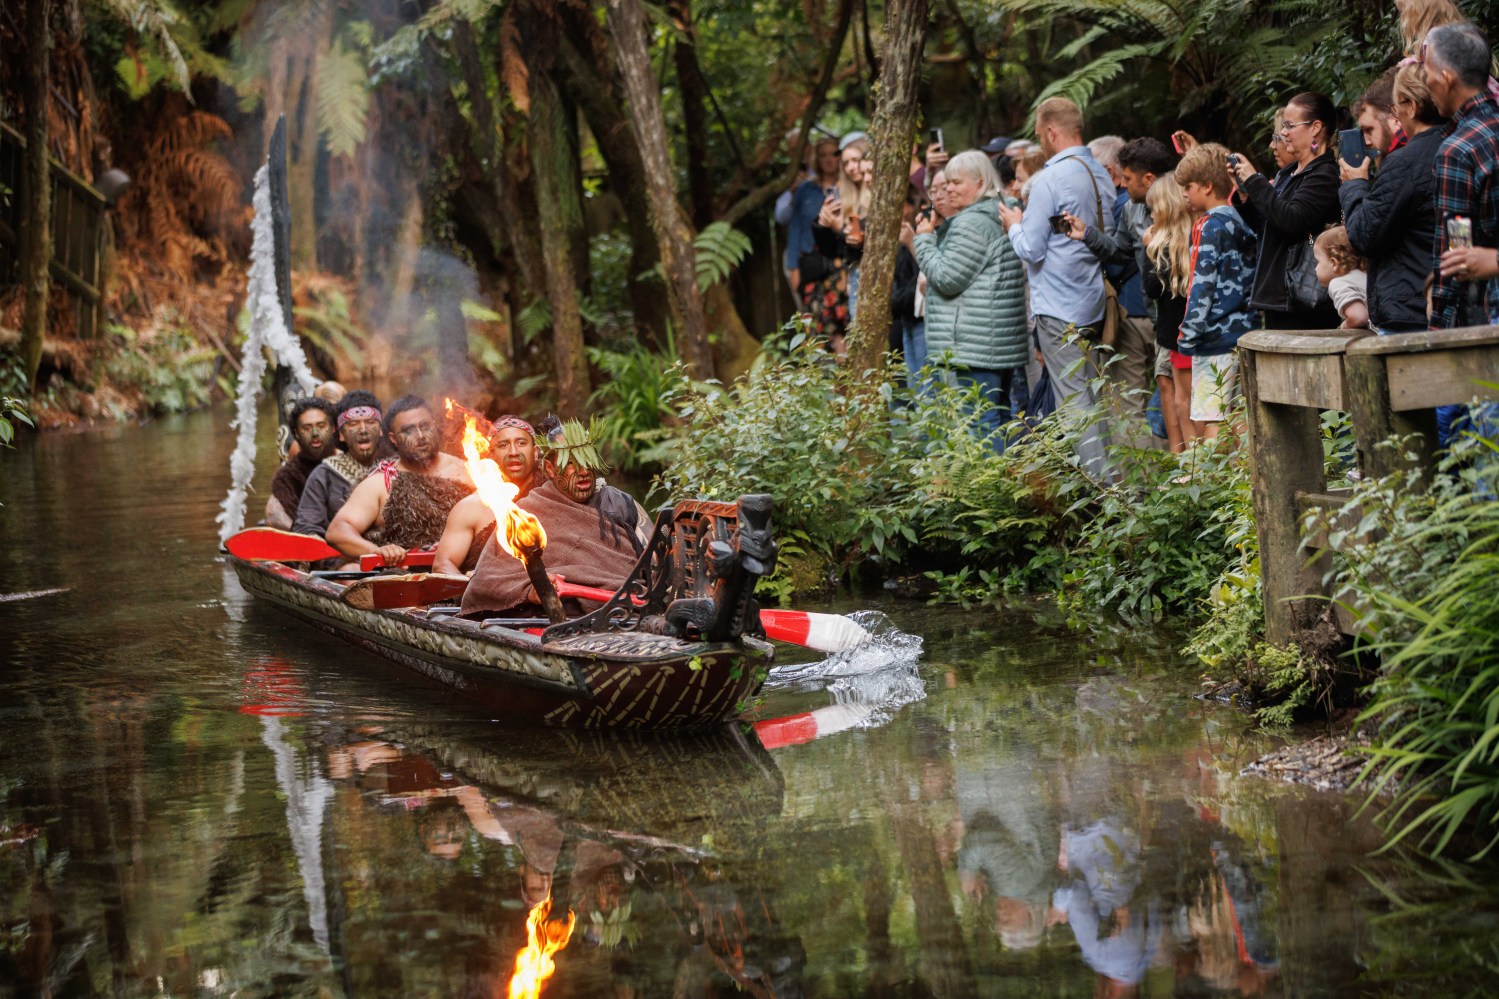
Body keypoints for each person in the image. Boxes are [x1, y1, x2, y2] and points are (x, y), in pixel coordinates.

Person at [997, 96, 1116, 475]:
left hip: (1058, 308)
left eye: (1039, 135)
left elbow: (1031, 249)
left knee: (1073, 403)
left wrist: (1013, 223)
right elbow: (1105, 238)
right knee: (1094, 397)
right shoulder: (1099, 171)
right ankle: (1109, 484)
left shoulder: (1049, 178)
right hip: (1093, 301)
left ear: (1051, 132)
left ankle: (1102, 494)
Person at [459, 419, 644, 618]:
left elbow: (654, 560)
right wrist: (531, 590)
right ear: (550, 468)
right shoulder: (526, 512)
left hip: (634, 607)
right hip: (567, 618)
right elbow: (486, 581)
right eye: (570, 464)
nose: (582, 473)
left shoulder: (620, 503)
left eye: (587, 463)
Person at [1065, 137, 1179, 449]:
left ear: (1149, 180)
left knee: (1176, 400)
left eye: (1127, 179)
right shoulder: (1130, 209)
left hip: (1178, 320)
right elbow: (1119, 252)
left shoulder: (1184, 206)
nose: (1122, 185)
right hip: (1146, 312)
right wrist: (1087, 234)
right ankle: (1141, 486)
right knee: (1134, 403)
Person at [910, 150, 1029, 447]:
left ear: (979, 183)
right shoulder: (996, 213)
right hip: (994, 338)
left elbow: (947, 278)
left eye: (955, 182)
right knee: (998, 417)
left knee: (981, 421)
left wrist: (924, 239)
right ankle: (1005, 484)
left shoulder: (971, 223)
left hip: (976, 341)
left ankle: (992, 491)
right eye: (946, 182)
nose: (948, 188)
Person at [1340, 62, 1445, 333]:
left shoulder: (1405, 162)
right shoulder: (1455, 143)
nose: (1367, 142)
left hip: (1410, 313)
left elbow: (1365, 235)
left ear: (1407, 108)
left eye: (1368, 130)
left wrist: (1355, 186)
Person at [1228, 92, 1343, 330]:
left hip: (1302, 298)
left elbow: (1292, 220)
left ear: (1316, 128)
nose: (1283, 133)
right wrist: (1245, 195)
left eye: (1289, 126)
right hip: (1278, 297)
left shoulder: (1325, 175)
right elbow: (1268, 224)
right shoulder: (1287, 173)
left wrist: (1255, 180)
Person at [326, 395, 475, 566]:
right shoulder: (383, 482)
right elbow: (337, 531)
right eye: (408, 430)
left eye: (425, 426)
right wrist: (376, 551)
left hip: (469, 573)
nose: (420, 436)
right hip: (406, 578)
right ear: (393, 439)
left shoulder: (468, 470)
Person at [1178, 143, 1258, 441]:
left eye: (1188, 186)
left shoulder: (1206, 226)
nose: (1184, 194)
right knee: (1238, 413)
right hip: (1245, 331)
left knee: (1212, 415)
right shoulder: (1243, 218)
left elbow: (1201, 285)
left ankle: (1212, 484)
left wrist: (1187, 335)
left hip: (1213, 337)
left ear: (1208, 186)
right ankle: (1241, 483)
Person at [1425, 22, 1499, 330]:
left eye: (1427, 71)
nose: (1425, 81)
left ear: (1446, 79)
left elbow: (1457, 256)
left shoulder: (1458, 150)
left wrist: (1438, 329)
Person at [431, 415, 544, 576]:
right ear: (491, 454)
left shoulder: (552, 494)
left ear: (535, 452)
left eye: (521, 443)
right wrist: (476, 588)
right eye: (503, 445)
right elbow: (443, 564)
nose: (513, 452)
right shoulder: (470, 508)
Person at [1141, 173, 1199, 449]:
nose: (1150, 215)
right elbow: (1151, 289)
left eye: (1153, 208)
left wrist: (1150, 251)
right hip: (1168, 334)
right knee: (1168, 388)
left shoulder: (1197, 236)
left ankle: (1194, 462)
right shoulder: (1159, 243)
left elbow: (1152, 287)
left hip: (1189, 335)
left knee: (1188, 398)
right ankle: (1179, 457)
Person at [291, 390, 385, 538]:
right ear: (341, 434)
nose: (363, 430)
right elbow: (306, 527)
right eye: (353, 424)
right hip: (344, 558)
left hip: (397, 555)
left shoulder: (397, 466)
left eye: (370, 422)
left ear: (381, 430)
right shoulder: (324, 475)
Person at [782, 137, 841, 301]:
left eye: (833, 154)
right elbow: (795, 228)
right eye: (823, 155)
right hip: (811, 261)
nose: (829, 159)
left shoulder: (848, 186)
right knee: (814, 320)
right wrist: (793, 267)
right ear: (817, 158)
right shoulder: (806, 189)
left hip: (841, 262)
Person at [266, 398, 337, 530]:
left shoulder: (351, 461)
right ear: (296, 434)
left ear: (333, 428)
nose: (315, 434)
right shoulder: (287, 477)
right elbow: (276, 516)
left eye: (321, 426)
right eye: (307, 428)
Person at [1313, 226, 1369, 329]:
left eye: (1318, 262)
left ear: (1334, 263)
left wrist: (1342, 328)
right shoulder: (1366, 275)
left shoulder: (1339, 283)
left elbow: (1359, 317)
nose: (1315, 268)